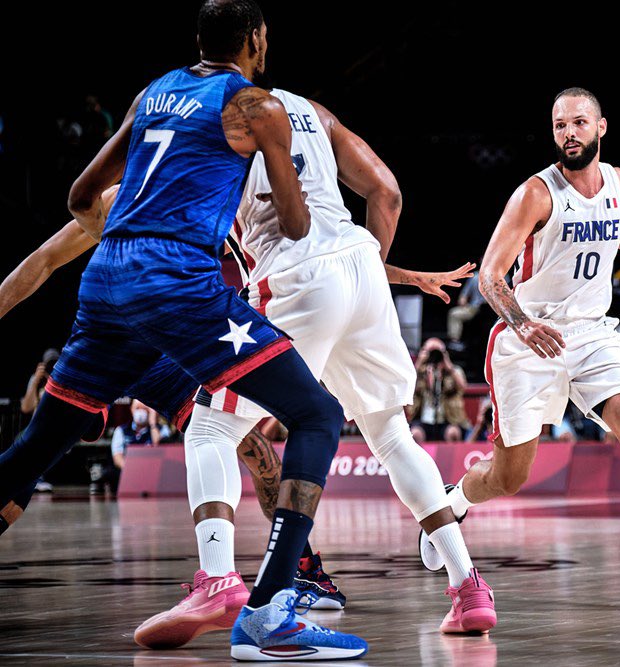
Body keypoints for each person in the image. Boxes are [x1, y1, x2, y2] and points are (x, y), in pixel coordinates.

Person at [0, 1, 370, 659]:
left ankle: (232, 574)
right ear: (256, 42)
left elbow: (81, 198)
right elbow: (294, 223)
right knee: (315, 414)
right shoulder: (256, 107)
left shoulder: (153, 93)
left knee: (34, 450)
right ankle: (272, 611)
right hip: (176, 280)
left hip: (110, 279)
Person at [136, 76, 494, 645]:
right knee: (393, 438)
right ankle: (469, 588)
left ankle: (217, 580)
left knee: (209, 427)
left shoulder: (212, 120)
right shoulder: (313, 112)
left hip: (294, 277)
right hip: (360, 266)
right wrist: (379, 272)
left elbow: (256, 232)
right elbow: (388, 193)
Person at [419, 87, 620, 612]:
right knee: (510, 477)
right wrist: (523, 322)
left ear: (601, 127)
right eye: (560, 126)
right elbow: (490, 277)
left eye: (579, 123)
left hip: (593, 334)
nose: (569, 133)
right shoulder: (535, 194)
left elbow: (613, 230)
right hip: (528, 338)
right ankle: (455, 500)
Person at [409, 338, 472, 442]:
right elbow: (408, 387)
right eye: (430, 351)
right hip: (422, 419)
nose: (434, 355)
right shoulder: (417, 372)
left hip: (448, 419)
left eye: (437, 351)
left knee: (453, 433)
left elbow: (463, 387)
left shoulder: (453, 371)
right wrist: (419, 363)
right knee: (415, 433)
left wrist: (448, 366)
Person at [19, 348, 61, 493]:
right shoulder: (36, 379)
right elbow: (26, 408)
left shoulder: (63, 378)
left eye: (55, 363)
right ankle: (34, 479)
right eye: (49, 364)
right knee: (27, 440)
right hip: (37, 426)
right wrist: (36, 381)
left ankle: (37, 478)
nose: (51, 367)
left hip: (57, 427)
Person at [446, 266, 484, 347]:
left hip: (496, 309)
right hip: (475, 308)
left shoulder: (502, 274)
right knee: (454, 313)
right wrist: (464, 303)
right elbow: (463, 297)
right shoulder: (475, 277)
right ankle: (455, 342)